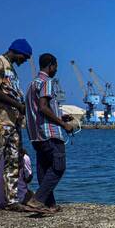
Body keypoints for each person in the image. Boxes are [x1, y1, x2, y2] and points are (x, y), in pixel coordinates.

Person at [0, 38, 43, 215]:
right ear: (18, 52)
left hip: (13, 123)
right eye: (24, 57)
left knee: (14, 161)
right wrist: (18, 105)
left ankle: (12, 200)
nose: (24, 61)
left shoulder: (11, 70)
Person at [25, 53, 74, 213]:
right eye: (56, 66)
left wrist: (60, 116)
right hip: (50, 133)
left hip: (36, 135)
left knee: (44, 169)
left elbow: (38, 109)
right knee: (59, 167)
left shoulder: (32, 85)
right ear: (51, 65)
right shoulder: (47, 82)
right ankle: (38, 199)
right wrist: (63, 124)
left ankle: (49, 203)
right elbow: (43, 107)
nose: (56, 69)